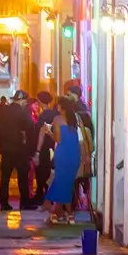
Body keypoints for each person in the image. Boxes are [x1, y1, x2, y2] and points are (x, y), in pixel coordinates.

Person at [0, 89, 34, 210]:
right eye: (25, 101)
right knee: (22, 177)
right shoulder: (23, 113)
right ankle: (24, 202)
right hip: (20, 149)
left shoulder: (3, 111)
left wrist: (0, 146)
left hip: (6, 149)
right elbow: (31, 127)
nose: (26, 104)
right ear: (22, 101)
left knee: (5, 178)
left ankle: (4, 203)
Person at [43, 96, 82, 224]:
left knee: (61, 182)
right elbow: (82, 137)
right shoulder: (77, 118)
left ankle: (68, 213)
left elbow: (58, 140)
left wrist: (48, 132)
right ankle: (57, 212)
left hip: (62, 154)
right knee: (66, 183)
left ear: (62, 107)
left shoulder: (57, 119)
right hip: (75, 154)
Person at [31, 91, 57, 206]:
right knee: (49, 171)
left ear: (40, 101)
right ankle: (49, 195)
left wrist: (37, 151)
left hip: (44, 148)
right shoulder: (54, 114)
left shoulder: (44, 116)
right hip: (53, 147)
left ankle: (41, 196)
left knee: (41, 172)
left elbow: (42, 133)